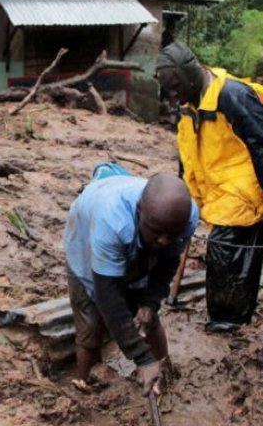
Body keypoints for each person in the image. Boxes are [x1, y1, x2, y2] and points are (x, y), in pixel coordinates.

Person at [155, 43, 263, 333]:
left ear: (191, 74)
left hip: (247, 188)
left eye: (175, 87)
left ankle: (228, 322)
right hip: (218, 190)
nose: (173, 96)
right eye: (167, 89)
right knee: (237, 259)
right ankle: (234, 314)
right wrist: (189, 196)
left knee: (224, 250)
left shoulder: (233, 96)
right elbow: (186, 153)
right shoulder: (188, 105)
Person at [64, 168, 199, 396]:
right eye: (158, 232)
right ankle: (84, 386)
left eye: (172, 234)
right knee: (91, 324)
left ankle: (162, 374)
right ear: (139, 212)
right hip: (86, 240)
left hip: (134, 236)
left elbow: (167, 264)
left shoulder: (184, 218)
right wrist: (142, 358)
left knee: (148, 319)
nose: (165, 240)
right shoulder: (112, 222)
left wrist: (150, 303)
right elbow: (107, 296)